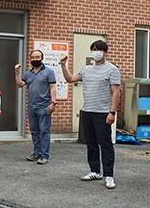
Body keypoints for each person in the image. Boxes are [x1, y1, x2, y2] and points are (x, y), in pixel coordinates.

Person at [60, 40, 120, 189]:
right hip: (87, 111)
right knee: (91, 143)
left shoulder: (112, 69)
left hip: (103, 113)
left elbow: (116, 92)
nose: (96, 52)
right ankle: (94, 171)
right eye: (93, 49)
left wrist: (112, 112)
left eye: (99, 49)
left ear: (105, 52)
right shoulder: (86, 70)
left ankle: (109, 175)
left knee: (105, 144)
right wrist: (63, 65)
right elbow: (70, 79)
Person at [15, 50, 57, 165]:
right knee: (34, 131)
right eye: (33, 57)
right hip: (32, 105)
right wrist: (17, 73)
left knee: (44, 131)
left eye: (37, 57)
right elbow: (20, 84)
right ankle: (37, 153)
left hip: (44, 106)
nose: (35, 59)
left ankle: (44, 155)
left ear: (42, 58)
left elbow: (52, 87)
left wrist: (53, 103)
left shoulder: (49, 72)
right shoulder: (28, 73)